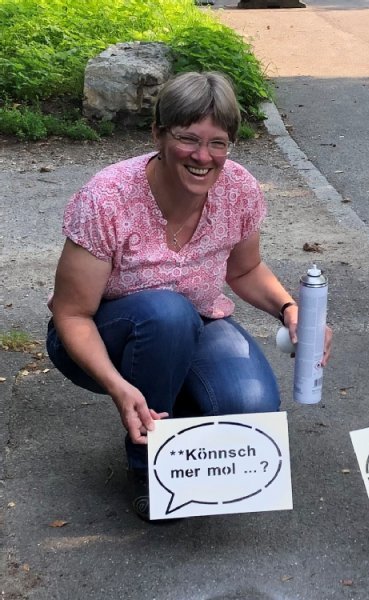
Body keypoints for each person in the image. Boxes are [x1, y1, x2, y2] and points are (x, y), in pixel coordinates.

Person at [46, 71, 331, 521]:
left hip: (196, 321)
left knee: (250, 407)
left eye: (218, 143)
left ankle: (187, 451)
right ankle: (148, 466)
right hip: (98, 337)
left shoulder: (238, 189)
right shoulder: (106, 199)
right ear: (158, 133)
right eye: (188, 139)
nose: (204, 157)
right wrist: (119, 388)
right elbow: (72, 313)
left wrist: (290, 310)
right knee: (167, 312)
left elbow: (246, 269)